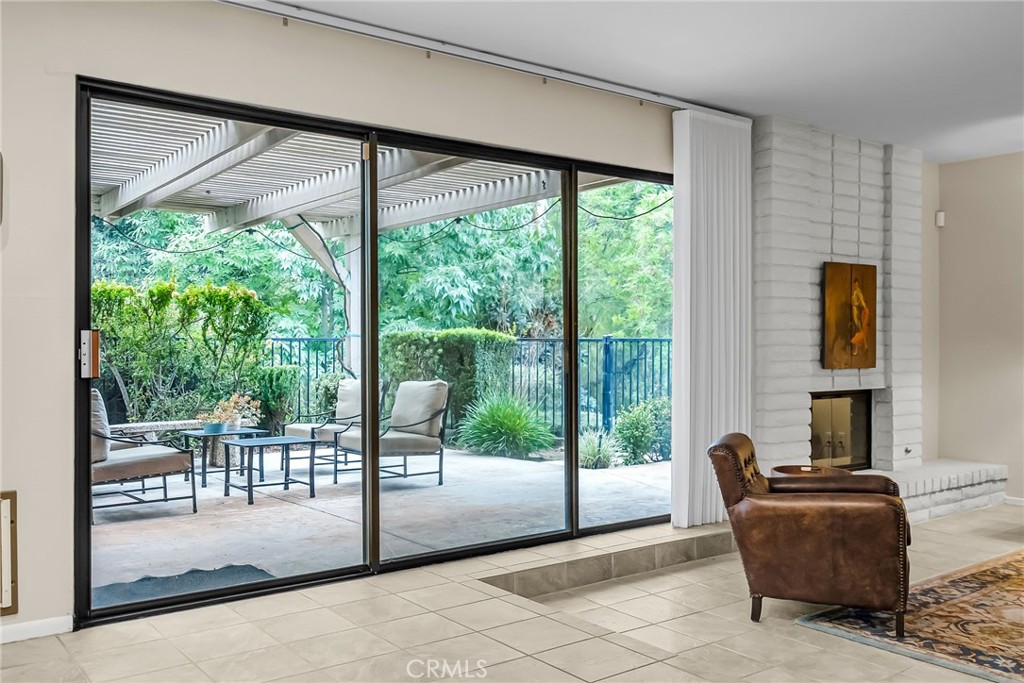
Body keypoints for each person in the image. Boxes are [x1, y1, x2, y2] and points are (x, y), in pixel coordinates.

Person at [850, 278, 870, 355]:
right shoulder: (854, 292)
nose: (855, 285)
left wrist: (865, 308)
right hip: (854, 311)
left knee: (859, 331)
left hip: (857, 312)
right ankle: (865, 346)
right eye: (855, 284)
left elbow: (862, 300)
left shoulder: (858, 292)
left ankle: (857, 350)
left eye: (857, 284)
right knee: (859, 330)